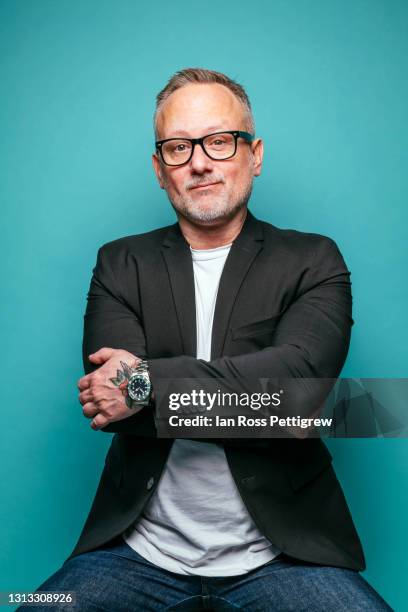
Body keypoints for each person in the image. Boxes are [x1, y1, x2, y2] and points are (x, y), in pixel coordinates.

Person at [20, 68, 391, 611]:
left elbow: (300, 395)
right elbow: (113, 400)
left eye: (219, 141)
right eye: (177, 147)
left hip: (282, 555)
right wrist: (257, 396)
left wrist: (145, 382)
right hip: (135, 553)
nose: (198, 161)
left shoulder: (313, 259)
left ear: (254, 154)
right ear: (159, 168)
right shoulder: (120, 263)